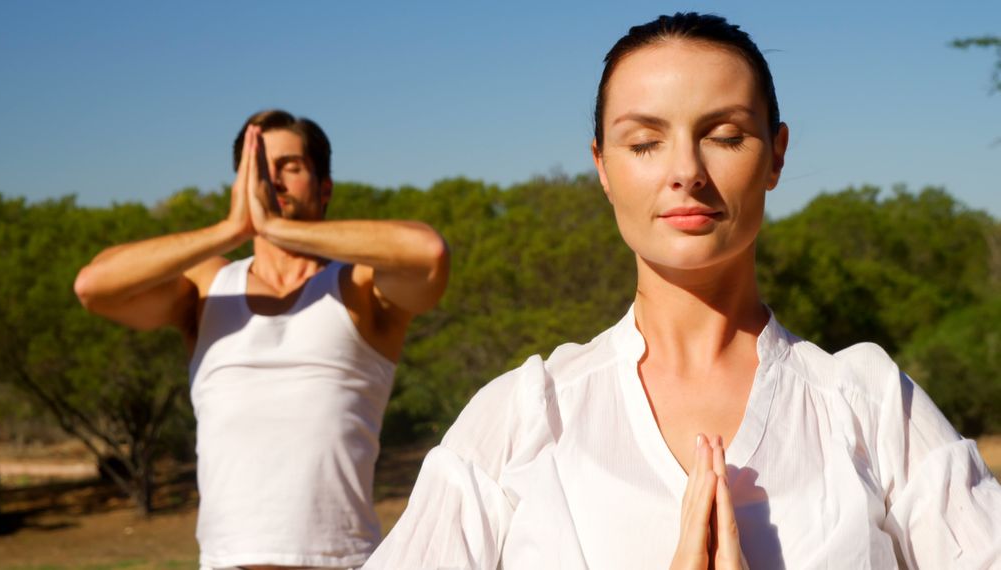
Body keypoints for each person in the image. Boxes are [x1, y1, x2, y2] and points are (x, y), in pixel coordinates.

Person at [364, 13, 1001, 569]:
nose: (686, 173)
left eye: (725, 136)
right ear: (602, 168)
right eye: (644, 143)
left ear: (776, 155)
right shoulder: (521, 417)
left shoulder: (872, 406)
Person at [74, 109, 450, 569]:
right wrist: (231, 230)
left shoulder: (358, 288)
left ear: (324, 187)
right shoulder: (206, 288)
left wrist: (275, 227)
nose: (273, 181)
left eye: (289, 167)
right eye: (259, 169)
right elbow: (93, 286)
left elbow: (428, 254)